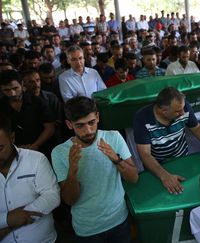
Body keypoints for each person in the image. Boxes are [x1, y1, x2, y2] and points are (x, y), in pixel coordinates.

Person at [51, 96, 138, 242]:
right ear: (69, 124)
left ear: (97, 116)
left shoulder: (113, 137)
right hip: (87, 230)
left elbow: (134, 178)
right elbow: (70, 200)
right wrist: (72, 171)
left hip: (119, 221)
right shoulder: (59, 152)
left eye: (91, 122)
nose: (88, 130)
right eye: (80, 125)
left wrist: (116, 159)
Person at [133, 87, 200, 194]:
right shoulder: (142, 118)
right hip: (157, 166)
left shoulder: (183, 106)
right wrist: (164, 176)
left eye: (183, 108)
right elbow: (145, 154)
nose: (183, 113)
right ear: (163, 111)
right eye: (178, 111)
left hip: (182, 158)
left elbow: (196, 128)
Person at [0, 114, 60, 242]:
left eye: (0, 148)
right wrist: (7, 219)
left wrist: (14, 221)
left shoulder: (36, 159)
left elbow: (52, 196)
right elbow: (11, 219)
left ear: (12, 138)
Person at [0, 70, 55, 154]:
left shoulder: (38, 102)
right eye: (6, 90)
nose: (12, 93)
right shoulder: (1, 107)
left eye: (15, 88)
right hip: (13, 152)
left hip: (41, 150)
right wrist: (16, 147)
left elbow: (50, 128)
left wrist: (35, 145)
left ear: (22, 84)